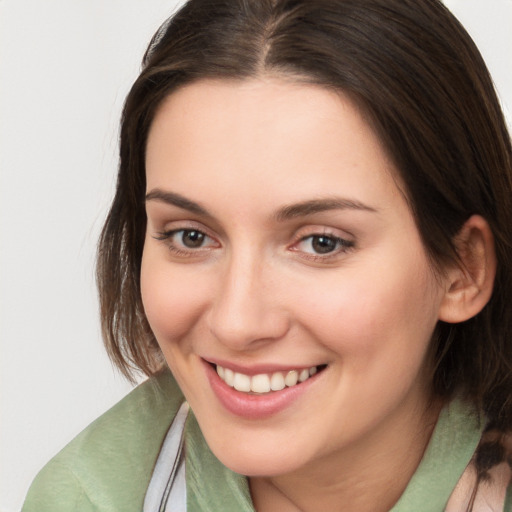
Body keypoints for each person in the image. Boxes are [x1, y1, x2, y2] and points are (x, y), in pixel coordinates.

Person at [23, 0, 512, 510]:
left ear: (463, 271)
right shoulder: (86, 497)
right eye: (191, 236)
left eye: (322, 242)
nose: (237, 323)